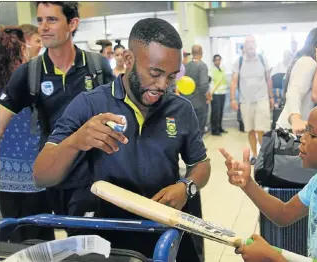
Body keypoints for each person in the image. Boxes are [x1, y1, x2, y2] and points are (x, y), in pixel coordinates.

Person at [33, 18, 211, 262]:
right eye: (155, 73)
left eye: (170, 77)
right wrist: (76, 140)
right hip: (107, 237)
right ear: (128, 60)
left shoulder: (180, 109)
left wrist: (186, 187)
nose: (162, 86)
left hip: (163, 232)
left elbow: (201, 164)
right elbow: (41, 175)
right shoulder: (90, 105)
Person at [220, 97, 317, 262]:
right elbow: (284, 214)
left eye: (312, 134)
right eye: (305, 130)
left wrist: (271, 258)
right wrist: (248, 184)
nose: (302, 139)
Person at [0, 1, 115, 218]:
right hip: (55, 177)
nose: (43, 27)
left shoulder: (97, 66)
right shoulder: (30, 72)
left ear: (72, 24)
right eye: (40, 20)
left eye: (52, 20)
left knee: (97, 247)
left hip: (96, 177)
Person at [0, 26, 55, 243]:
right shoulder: (28, 79)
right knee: (40, 235)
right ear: (20, 51)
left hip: (4, 174)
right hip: (36, 170)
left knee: (12, 235)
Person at [230, 35, 274, 165]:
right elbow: (233, 81)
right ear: (244, 46)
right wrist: (233, 98)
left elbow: (268, 79)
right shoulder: (239, 62)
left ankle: (263, 154)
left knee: (260, 129)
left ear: (256, 45)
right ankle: (254, 154)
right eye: (248, 43)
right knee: (250, 130)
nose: (250, 45)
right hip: (245, 101)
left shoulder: (262, 59)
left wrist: (271, 97)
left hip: (262, 99)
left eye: (252, 43)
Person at [277, 27, 317, 135]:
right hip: (293, 130)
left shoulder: (316, 63)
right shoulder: (308, 62)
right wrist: (296, 119)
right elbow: (294, 92)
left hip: (299, 128)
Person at [184, 45, 211, 137]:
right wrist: (208, 96)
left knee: (190, 129)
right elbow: (204, 86)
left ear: (192, 54)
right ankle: (198, 149)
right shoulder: (202, 66)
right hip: (199, 103)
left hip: (187, 102)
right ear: (201, 53)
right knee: (199, 129)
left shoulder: (186, 66)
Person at [209, 54, 228, 136]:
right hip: (215, 94)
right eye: (216, 60)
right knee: (215, 112)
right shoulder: (211, 70)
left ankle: (219, 127)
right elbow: (209, 83)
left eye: (219, 60)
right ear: (213, 61)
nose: (218, 61)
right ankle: (214, 130)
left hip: (222, 93)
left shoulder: (222, 69)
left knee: (220, 112)